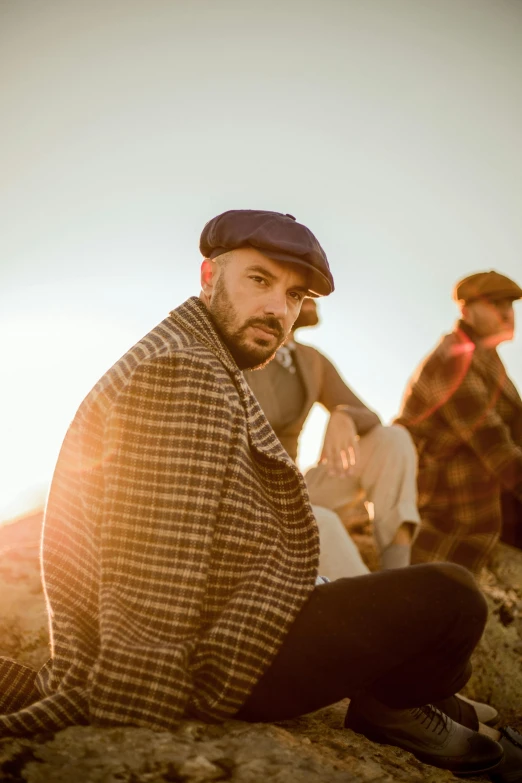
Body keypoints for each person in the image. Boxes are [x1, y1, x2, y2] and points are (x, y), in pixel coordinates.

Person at [0, 211, 508, 776]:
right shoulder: (183, 371)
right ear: (208, 276)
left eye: (293, 295)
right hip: (216, 661)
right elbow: (157, 561)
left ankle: (421, 696)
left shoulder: (205, 351)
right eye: (259, 280)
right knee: (451, 598)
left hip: (241, 610)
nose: (278, 309)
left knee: (398, 605)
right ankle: (390, 706)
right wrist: (137, 696)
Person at [245, 298, 420, 570]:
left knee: (392, 439)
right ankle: (384, 605)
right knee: (320, 523)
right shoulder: (242, 347)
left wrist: (343, 415)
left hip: (295, 489)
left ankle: (397, 573)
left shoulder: (311, 359)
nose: (315, 297)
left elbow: (371, 417)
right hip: (247, 496)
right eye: (301, 292)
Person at [396, 270, 522, 575]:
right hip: (458, 511)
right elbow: (496, 448)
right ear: (466, 310)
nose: (507, 313)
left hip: (490, 499)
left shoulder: (487, 358)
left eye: (510, 305)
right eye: (495, 304)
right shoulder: (455, 358)